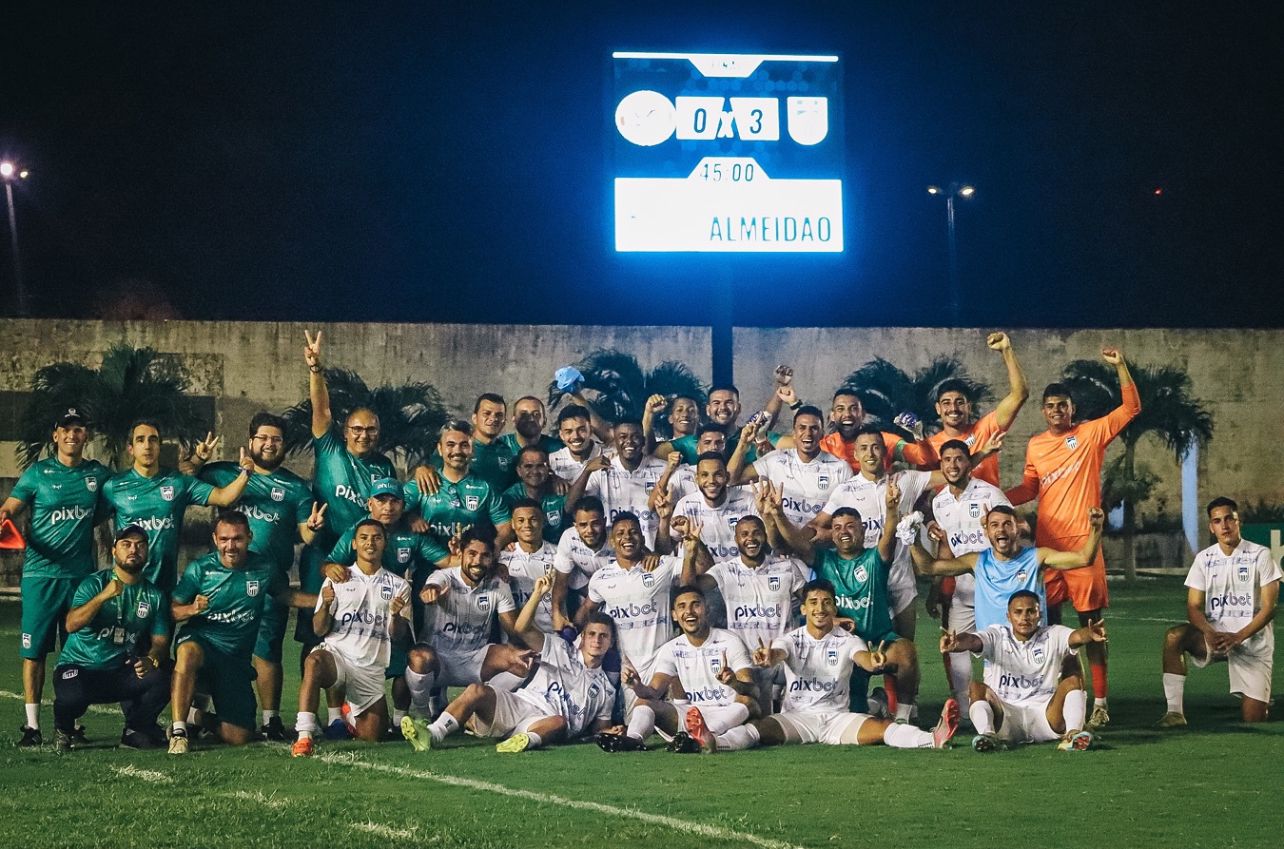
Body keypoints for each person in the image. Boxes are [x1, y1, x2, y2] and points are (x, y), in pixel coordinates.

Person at [1005, 346, 1139, 729]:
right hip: (1048, 548)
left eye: (1062, 406)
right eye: (1050, 406)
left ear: (1071, 409)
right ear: (1043, 411)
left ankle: (1100, 703)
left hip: (1083, 545)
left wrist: (1120, 365)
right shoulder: (1036, 445)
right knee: (1051, 629)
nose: (1056, 411)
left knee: (1091, 626)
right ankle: (1062, 695)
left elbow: (1131, 409)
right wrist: (995, 499)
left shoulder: (1090, 433)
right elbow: (1030, 489)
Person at [189, 411, 323, 740]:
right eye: (262, 437)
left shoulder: (295, 488)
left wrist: (313, 528)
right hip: (224, 581)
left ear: (284, 445)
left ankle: (271, 719)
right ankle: (193, 716)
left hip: (269, 581)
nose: (269, 444)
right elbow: (183, 479)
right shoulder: (224, 472)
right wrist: (197, 458)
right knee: (212, 645)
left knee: (268, 649)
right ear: (250, 441)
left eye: (276, 439)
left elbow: (306, 534)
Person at [716, 580, 958, 751]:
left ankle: (933, 739)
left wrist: (874, 662)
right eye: (813, 603)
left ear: (834, 608)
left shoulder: (848, 640)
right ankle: (713, 742)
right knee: (757, 729)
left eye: (826, 602)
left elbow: (863, 658)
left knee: (884, 728)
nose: (820, 609)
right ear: (804, 609)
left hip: (837, 719)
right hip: (798, 718)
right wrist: (769, 657)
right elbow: (779, 653)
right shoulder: (791, 639)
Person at [770, 480, 924, 721]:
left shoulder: (875, 558)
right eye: (837, 527)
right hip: (845, 647)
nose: (844, 532)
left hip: (879, 640)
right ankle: (877, 702)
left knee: (906, 651)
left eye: (851, 526)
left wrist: (891, 509)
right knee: (855, 712)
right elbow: (795, 542)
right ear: (831, 534)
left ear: (863, 531)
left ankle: (903, 717)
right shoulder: (823, 559)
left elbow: (889, 536)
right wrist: (778, 514)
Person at [1, 407, 111, 746]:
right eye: (66, 429)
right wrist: (4, 517)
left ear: (86, 436)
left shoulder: (97, 475)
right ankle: (32, 727)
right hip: (40, 576)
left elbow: (112, 503)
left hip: (80, 578)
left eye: (78, 429)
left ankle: (70, 724)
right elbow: (10, 507)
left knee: (76, 652)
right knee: (34, 651)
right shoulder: (38, 473)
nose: (71, 435)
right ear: (56, 435)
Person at [412, 572, 617, 752]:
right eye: (592, 634)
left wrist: (612, 731)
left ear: (611, 642)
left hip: (544, 723)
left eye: (603, 636)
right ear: (582, 637)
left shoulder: (606, 690)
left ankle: (523, 741)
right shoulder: (560, 648)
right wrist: (537, 595)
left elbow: (600, 729)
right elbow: (521, 629)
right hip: (520, 704)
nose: (597, 640)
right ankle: (432, 734)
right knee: (476, 690)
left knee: (558, 721)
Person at [168, 511, 317, 753]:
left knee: (239, 736)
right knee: (187, 652)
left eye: (237, 539)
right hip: (203, 643)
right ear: (215, 540)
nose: (230, 546)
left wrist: (325, 600)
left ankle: (196, 716)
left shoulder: (264, 568)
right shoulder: (200, 569)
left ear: (249, 537)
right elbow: (172, 610)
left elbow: (286, 595)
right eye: (224, 539)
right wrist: (191, 609)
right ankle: (178, 732)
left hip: (235, 660)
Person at [320, 478, 450, 734]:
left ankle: (400, 719)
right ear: (370, 504)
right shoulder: (357, 531)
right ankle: (336, 718)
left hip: (394, 603)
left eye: (394, 501)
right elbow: (328, 562)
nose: (388, 507)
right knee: (339, 650)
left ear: (403, 505)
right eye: (381, 501)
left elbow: (447, 561)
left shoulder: (411, 533)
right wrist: (330, 568)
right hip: (358, 609)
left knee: (403, 655)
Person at [298, 329, 397, 655]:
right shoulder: (330, 450)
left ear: (378, 433)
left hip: (361, 557)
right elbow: (321, 409)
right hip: (322, 550)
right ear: (345, 430)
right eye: (357, 428)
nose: (363, 435)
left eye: (371, 429)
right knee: (315, 630)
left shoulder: (384, 466)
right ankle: (311, 687)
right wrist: (316, 369)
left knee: (359, 629)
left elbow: (390, 511)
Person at [1157, 497, 1281, 727]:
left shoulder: (1260, 555)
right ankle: (1174, 713)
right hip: (1215, 638)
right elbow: (1193, 607)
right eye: (1217, 521)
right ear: (1211, 528)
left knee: (1254, 719)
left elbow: (1269, 608)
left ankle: (1261, 699)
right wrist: (1208, 631)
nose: (1224, 526)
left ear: (1238, 521)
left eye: (1229, 519)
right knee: (1175, 636)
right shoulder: (1204, 559)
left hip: (1251, 642)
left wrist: (1239, 636)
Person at [400, 529, 535, 741]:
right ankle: (423, 715)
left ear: (492, 558)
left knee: (521, 661)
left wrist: (525, 648)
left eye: (485, 555)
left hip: (475, 659)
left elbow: (513, 629)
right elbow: (431, 586)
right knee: (419, 657)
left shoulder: (498, 584)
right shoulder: (443, 576)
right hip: (439, 659)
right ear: (460, 553)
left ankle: (474, 708)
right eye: (472, 554)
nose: (477, 561)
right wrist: (430, 592)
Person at [292, 519, 412, 756]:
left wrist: (396, 616)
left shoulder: (399, 586)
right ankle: (304, 735)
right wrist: (325, 606)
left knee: (374, 735)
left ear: (385, 543)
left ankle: (348, 715)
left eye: (376, 538)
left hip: (370, 667)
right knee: (314, 661)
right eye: (364, 538)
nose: (370, 543)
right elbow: (318, 630)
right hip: (338, 657)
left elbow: (398, 636)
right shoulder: (337, 579)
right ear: (354, 544)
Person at [596, 585, 759, 753]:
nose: (689, 611)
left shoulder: (730, 641)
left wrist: (733, 683)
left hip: (728, 714)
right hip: (692, 715)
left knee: (748, 701)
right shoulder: (671, 648)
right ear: (674, 615)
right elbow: (653, 692)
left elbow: (752, 690)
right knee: (644, 702)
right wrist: (637, 686)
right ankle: (633, 740)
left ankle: (703, 736)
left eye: (696, 604)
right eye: (682, 606)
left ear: (707, 610)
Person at [51, 524, 170, 751]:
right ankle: (64, 729)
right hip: (81, 667)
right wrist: (103, 596)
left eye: (140, 545)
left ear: (147, 552)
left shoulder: (154, 595)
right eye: (126, 544)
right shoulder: (94, 583)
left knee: (168, 673)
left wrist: (151, 658)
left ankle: (135, 730)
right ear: (114, 551)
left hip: (118, 671)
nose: (133, 550)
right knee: (72, 697)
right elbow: (71, 624)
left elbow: (161, 642)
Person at [940, 590, 1103, 752]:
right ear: (1008, 616)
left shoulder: (1053, 634)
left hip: (1046, 717)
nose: (1024, 618)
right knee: (976, 687)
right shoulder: (997, 634)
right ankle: (988, 736)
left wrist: (1089, 633)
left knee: (1073, 682)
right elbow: (972, 640)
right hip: (1005, 718)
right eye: (1018, 612)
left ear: (1039, 615)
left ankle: (1072, 735)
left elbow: (1076, 637)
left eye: (1030, 611)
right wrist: (957, 642)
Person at [100, 420, 253, 591]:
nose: (147, 446)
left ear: (159, 446)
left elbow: (224, 498)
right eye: (140, 440)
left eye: (153, 440)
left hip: (164, 586)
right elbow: (89, 520)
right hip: (125, 586)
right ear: (131, 448)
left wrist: (246, 473)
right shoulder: (114, 486)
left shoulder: (178, 482)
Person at [911, 505, 1106, 635]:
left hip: (1035, 648)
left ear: (1017, 529)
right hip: (997, 656)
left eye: (1007, 524)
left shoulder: (1037, 557)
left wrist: (1096, 529)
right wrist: (912, 539)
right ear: (987, 532)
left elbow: (1084, 558)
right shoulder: (977, 561)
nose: (1001, 530)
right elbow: (929, 567)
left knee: (1070, 663)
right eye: (994, 525)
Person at [681, 514, 808, 713]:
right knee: (761, 718)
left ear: (765, 536)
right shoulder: (725, 570)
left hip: (783, 657)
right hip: (746, 661)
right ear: (736, 539)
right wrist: (690, 555)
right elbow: (689, 588)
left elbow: (810, 599)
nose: (751, 538)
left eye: (757, 533)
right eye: (745, 534)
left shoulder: (787, 567)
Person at [926, 439, 1012, 714]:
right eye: (947, 459)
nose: (953, 465)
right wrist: (935, 589)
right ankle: (965, 709)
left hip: (995, 588)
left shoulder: (990, 494)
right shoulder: (940, 502)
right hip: (963, 591)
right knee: (956, 645)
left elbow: (1016, 528)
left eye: (959, 459)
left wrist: (993, 529)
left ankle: (1007, 704)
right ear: (941, 464)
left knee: (1001, 647)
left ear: (969, 463)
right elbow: (947, 548)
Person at [578, 512, 683, 714]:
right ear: (612, 541)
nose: (627, 537)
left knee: (675, 715)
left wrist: (690, 542)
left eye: (633, 532)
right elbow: (588, 609)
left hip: (663, 660)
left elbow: (700, 568)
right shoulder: (601, 578)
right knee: (637, 717)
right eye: (620, 533)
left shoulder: (662, 565)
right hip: (630, 667)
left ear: (642, 538)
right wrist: (569, 631)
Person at [925, 332, 1029, 486]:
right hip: (952, 503)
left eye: (959, 402)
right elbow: (922, 488)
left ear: (969, 407)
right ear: (938, 408)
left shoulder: (985, 428)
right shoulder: (929, 447)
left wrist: (1006, 350)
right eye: (946, 403)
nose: (953, 408)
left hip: (988, 502)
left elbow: (1020, 394)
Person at [729, 405, 852, 529]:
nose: (808, 434)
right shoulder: (775, 459)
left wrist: (827, 534)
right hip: (779, 538)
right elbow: (732, 480)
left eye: (814, 428)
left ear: (822, 434)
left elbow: (850, 515)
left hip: (818, 539)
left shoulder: (841, 468)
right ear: (794, 433)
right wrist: (743, 443)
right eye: (802, 428)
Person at [406, 420, 513, 550]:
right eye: (450, 445)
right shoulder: (424, 481)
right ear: (440, 449)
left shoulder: (486, 488)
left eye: (464, 445)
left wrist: (494, 547)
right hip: (429, 562)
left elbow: (505, 526)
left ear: (472, 449)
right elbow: (391, 509)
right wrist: (409, 518)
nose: (457, 451)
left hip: (472, 561)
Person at [566, 420, 666, 546]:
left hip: (651, 550)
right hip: (612, 551)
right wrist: (587, 471)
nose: (629, 441)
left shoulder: (663, 469)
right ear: (615, 441)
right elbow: (569, 507)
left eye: (635, 437)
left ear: (643, 441)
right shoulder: (601, 469)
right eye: (623, 437)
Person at [659, 452, 759, 562]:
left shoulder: (748, 501)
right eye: (704, 475)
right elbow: (664, 551)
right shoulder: (685, 505)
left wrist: (769, 516)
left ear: (727, 477)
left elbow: (769, 547)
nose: (711, 481)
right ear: (696, 479)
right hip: (700, 573)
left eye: (718, 474)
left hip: (738, 573)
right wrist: (664, 520)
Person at [550, 496, 614, 632]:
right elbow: (560, 582)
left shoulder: (617, 535)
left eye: (595, 524)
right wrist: (556, 613)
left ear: (604, 522)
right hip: (586, 590)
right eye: (583, 525)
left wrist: (652, 555)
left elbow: (643, 553)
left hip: (615, 589)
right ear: (576, 526)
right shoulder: (568, 537)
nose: (589, 530)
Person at [500, 498, 559, 639]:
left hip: (553, 638)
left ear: (543, 521)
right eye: (521, 520)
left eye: (533, 520)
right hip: (514, 642)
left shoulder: (559, 555)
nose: (527, 525)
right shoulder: (501, 559)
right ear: (513, 524)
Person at [502, 445, 568, 544]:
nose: (535, 471)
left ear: (548, 468)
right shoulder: (509, 497)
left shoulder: (560, 489)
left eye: (540, 466)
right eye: (528, 466)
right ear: (519, 471)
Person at [548, 404, 603, 482]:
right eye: (568, 431)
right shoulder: (552, 460)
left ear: (590, 430)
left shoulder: (608, 455)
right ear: (561, 435)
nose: (575, 436)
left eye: (581, 430)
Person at [496, 395, 564, 459]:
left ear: (544, 421)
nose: (531, 419)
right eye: (523, 414)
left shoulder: (558, 449)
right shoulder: (499, 446)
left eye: (536, 414)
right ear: (514, 420)